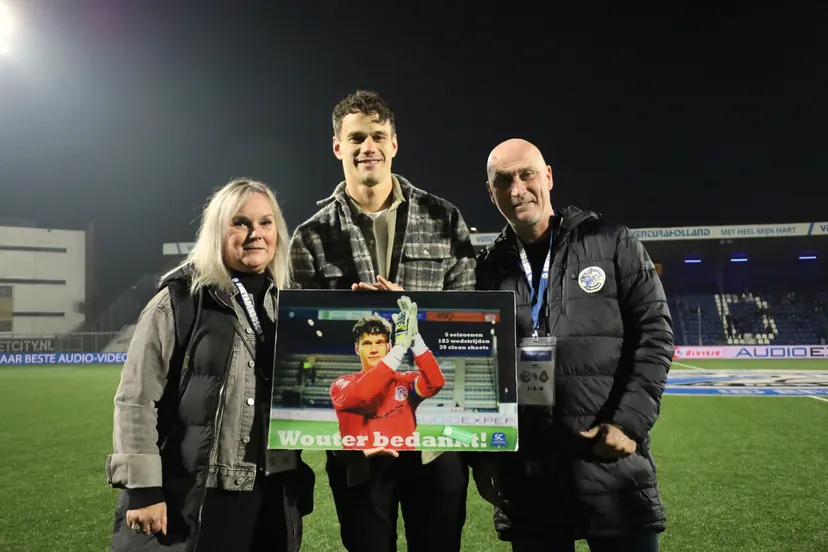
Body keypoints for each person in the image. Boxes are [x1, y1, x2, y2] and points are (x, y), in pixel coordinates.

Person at [289, 89, 476, 552]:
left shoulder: (444, 218)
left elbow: (470, 320)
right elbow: (300, 347)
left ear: (394, 144)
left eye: (377, 135)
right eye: (355, 137)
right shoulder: (311, 237)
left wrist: (412, 309)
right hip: (361, 447)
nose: (366, 146)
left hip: (434, 437)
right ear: (337, 147)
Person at [472, 138, 674, 552]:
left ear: (548, 176)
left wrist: (627, 423)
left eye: (526, 174)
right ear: (490, 192)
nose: (516, 189)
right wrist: (483, 455)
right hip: (528, 475)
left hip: (609, 461)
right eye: (502, 180)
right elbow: (476, 366)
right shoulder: (486, 269)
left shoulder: (612, 242)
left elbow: (655, 334)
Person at [106, 179, 315, 552]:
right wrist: (143, 489)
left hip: (272, 492)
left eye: (266, 223)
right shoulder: (179, 300)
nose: (256, 234)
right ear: (218, 229)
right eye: (241, 223)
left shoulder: (289, 305)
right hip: (199, 492)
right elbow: (136, 398)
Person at [331, 297, 445, 450]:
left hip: (402, 466)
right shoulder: (341, 384)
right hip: (361, 466)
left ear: (388, 346)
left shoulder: (405, 382)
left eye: (379, 343)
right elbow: (363, 393)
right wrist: (399, 349)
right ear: (357, 349)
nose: (374, 349)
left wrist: (415, 339)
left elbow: (435, 383)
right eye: (367, 343)